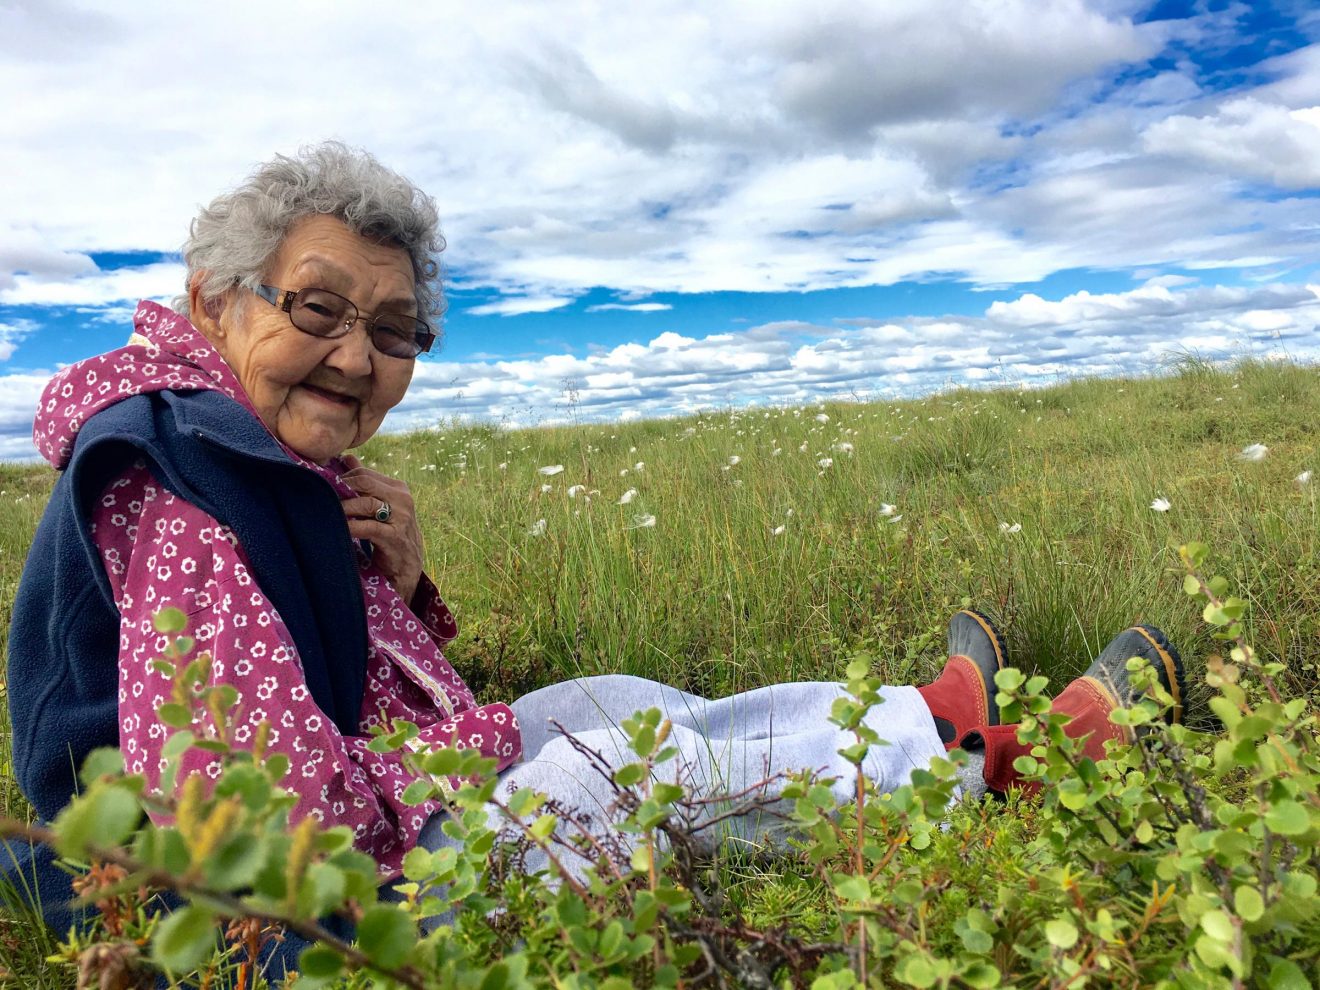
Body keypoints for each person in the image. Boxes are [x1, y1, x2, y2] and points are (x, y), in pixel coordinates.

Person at [5, 144, 1185, 971]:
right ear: (215, 304)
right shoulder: (191, 490)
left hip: (352, 845)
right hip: (297, 935)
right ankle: (1015, 765)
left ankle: (923, 716)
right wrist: (468, 749)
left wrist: (404, 593)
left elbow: (326, 694)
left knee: (609, 705)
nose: (360, 359)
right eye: (317, 309)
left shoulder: (231, 444)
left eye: (397, 328)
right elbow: (274, 839)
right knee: (617, 770)